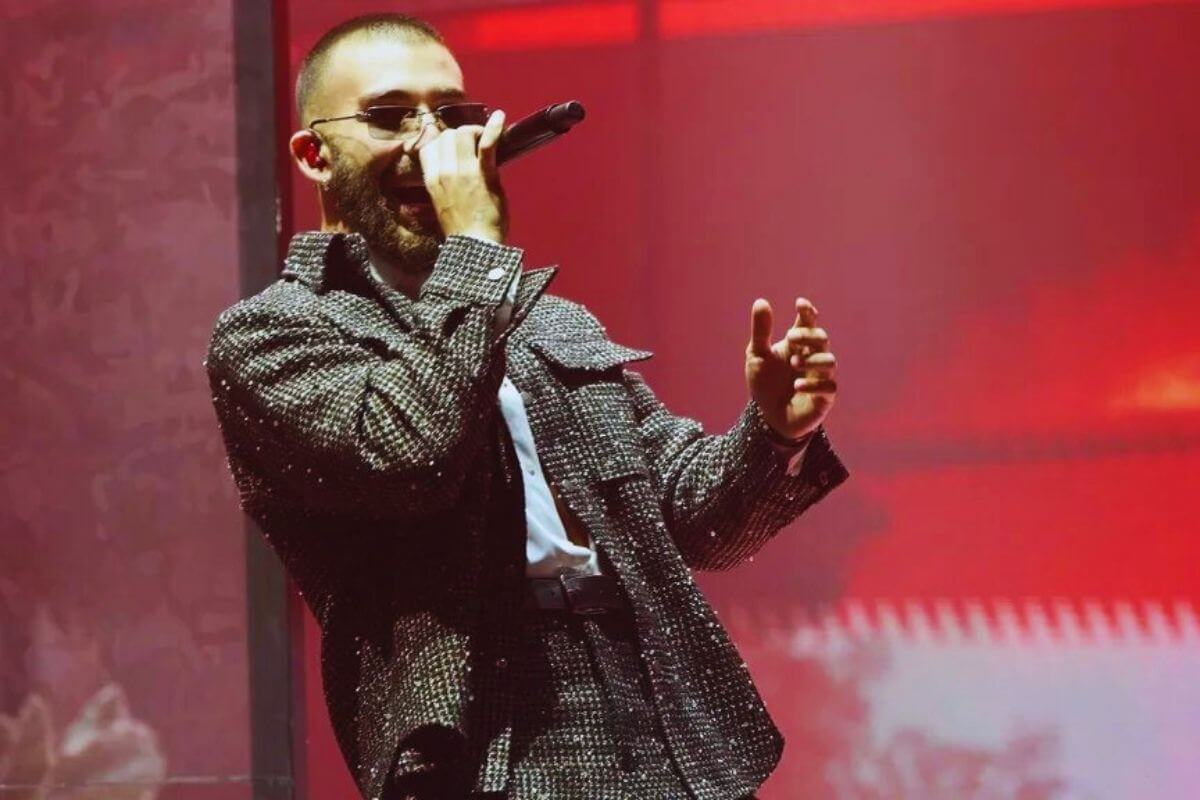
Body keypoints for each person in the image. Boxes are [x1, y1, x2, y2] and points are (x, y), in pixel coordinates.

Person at [205, 12, 849, 800]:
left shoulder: (548, 321)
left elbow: (693, 522)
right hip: (486, 741)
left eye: (451, 115)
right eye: (390, 116)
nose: (430, 141)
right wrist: (476, 249)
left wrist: (776, 435)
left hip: (667, 720)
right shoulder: (275, 333)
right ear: (314, 154)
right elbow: (413, 455)